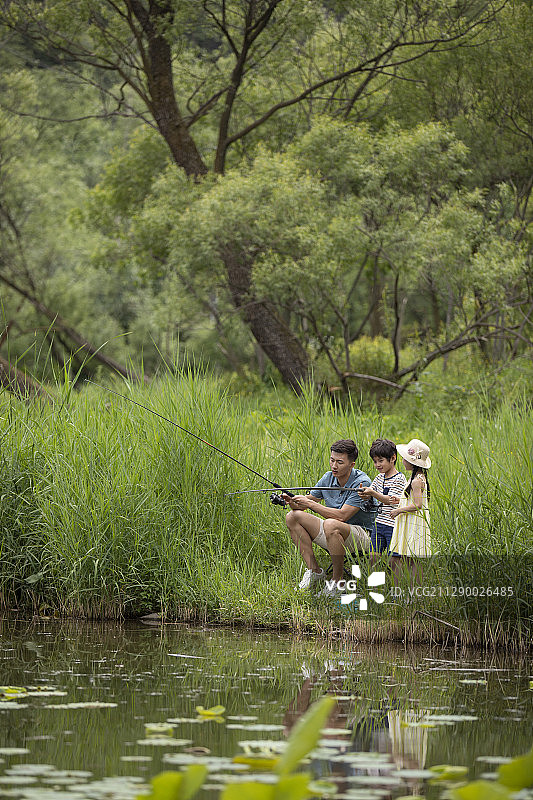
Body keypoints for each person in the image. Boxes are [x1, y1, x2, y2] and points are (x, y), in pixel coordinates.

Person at [283, 439, 378, 599]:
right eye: (332, 460)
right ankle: (314, 571)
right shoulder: (328, 478)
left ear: (351, 464)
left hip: (363, 537)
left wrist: (309, 504)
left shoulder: (362, 482)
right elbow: (305, 504)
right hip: (333, 531)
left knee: (331, 523)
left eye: (340, 462)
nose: (334, 465)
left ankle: (337, 583)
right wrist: (292, 501)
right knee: (293, 517)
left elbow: (342, 516)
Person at [388, 438, 432, 573]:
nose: (402, 461)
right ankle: (411, 589)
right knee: (409, 558)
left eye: (405, 459)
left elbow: (418, 504)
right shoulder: (417, 477)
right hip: (412, 519)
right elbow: (413, 498)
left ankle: (414, 590)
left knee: (412, 559)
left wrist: (399, 510)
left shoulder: (416, 481)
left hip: (413, 520)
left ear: (412, 462)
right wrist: (400, 499)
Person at [357, 439, 406, 555]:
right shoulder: (379, 478)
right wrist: (365, 495)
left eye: (381, 461)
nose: (377, 465)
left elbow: (391, 500)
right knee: (373, 556)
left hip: (393, 525)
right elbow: (371, 494)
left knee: (393, 559)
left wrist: (372, 493)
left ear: (393, 458)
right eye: (375, 461)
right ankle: (375, 573)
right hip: (379, 523)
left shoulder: (399, 479)